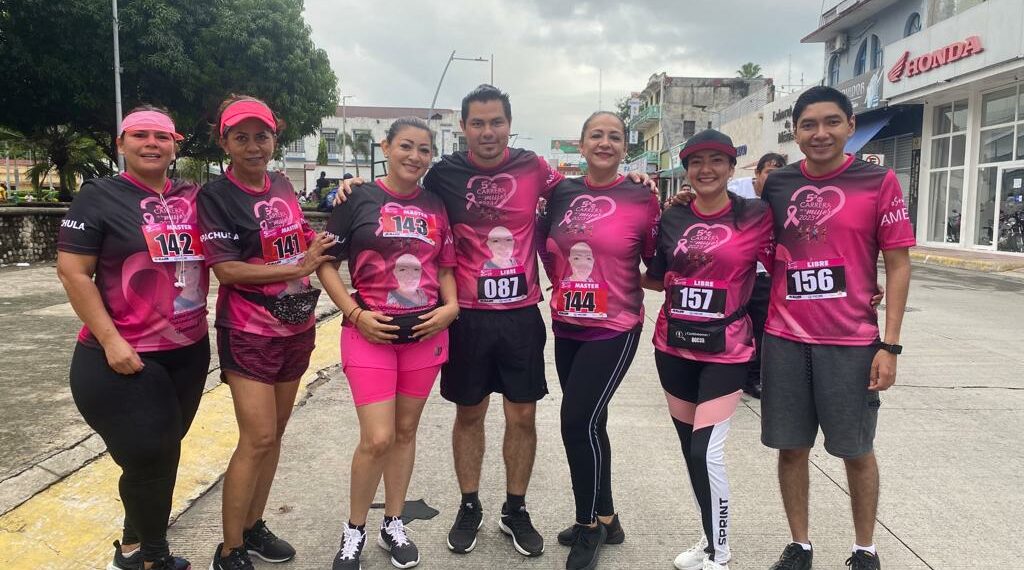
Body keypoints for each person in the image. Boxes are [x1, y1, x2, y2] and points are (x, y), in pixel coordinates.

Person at [335, 85, 655, 560]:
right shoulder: (443, 172)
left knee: (521, 416)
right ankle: (470, 504)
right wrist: (352, 187)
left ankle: (515, 508)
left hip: (521, 315)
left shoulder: (535, 168)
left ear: (510, 124)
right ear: (463, 129)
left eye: (496, 122)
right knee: (469, 414)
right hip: (465, 317)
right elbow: (400, 193)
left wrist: (634, 179)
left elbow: (587, 180)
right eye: (478, 123)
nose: (488, 132)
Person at [760, 86, 913, 570]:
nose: (820, 133)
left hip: (851, 344)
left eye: (831, 122)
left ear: (850, 125)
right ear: (795, 132)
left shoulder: (879, 181)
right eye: (808, 124)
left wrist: (889, 344)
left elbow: (899, 264)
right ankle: (799, 545)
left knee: (857, 451)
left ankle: (865, 549)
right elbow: (750, 234)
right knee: (791, 448)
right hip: (785, 339)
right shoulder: (778, 184)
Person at [57, 106, 208, 570]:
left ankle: (130, 544)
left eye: (161, 136)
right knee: (148, 456)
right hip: (122, 357)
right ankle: (153, 559)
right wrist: (111, 341)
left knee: (162, 453)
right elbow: (74, 273)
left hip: (188, 351)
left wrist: (346, 191)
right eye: (139, 135)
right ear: (121, 144)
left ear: (174, 145)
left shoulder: (195, 197)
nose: (151, 143)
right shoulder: (99, 197)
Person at [198, 95, 337, 570]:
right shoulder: (215, 197)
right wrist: (298, 264)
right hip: (249, 330)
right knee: (256, 437)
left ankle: (253, 526)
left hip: (295, 325)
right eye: (242, 137)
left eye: (262, 136)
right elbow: (228, 271)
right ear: (225, 142)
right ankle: (230, 548)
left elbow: (291, 242)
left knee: (275, 434)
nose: (254, 146)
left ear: (274, 138)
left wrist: (310, 247)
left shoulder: (281, 184)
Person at [318, 116, 460, 570]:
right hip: (369, 333)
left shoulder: (437, 205)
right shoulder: (357, 197)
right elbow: (325, 262)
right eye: (405, 146)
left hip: (425, 334)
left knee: (404, 433)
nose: (414, 156)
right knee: (376, 438)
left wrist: (451, 307)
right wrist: (355, 314)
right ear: (386, 145)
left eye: (423, 149)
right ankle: (354, 529)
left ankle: (393, 523)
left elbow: (445, 267)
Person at [642, 130, 774, 570]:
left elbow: (791, 260)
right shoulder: (672, 218)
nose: (706, 169)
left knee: (706, 451)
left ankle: (720, 553)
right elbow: (657, 276)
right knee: (689, 450)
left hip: (728, 350)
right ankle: (707, 536)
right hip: (673, 346)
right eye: (697, 161)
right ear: (686, 169)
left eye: (717, 160)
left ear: (732, 167)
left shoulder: (756, 215)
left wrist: (860, 288)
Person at [538, 111, 660, 570]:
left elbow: (658, 262)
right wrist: (561, 281)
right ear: (582, 144)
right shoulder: (559, 193)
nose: (604, 143)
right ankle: (608, 517)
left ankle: (587, 526)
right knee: (592, 423)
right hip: (567, 325)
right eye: (596, 135)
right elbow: (542, 244)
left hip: (615, 328)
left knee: (575, 421)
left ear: (625, 147)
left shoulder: (641, 198)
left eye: (614, 136)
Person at [742, 152, 787, 399]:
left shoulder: (784, 196)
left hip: (767, 276)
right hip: (736, 275)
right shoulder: (736, 190)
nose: (773, 178)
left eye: (778, 172)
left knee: (760, 330)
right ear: (757, 174)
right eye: (769, 172)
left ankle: (754, 377)